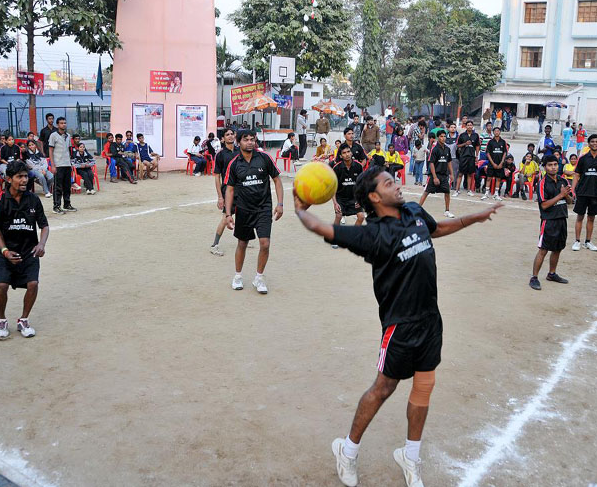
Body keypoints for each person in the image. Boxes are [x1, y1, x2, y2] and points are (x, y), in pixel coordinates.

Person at [293, 166, 502, 487]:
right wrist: (299, 209)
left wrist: (474, 216)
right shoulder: (372, 235)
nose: (398, 185)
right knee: (383, 388)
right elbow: (323, 228)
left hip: (431, 319)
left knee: (424, 385)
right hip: (399, 327)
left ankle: (411, 455)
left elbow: (437, 229)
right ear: (375, 197)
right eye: (390, 183)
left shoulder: (414, 211)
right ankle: (347, 450)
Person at [0, 160, 49, 340]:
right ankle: (1, 320)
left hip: (28, 250)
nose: (24, 180)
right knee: (2, 285)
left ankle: (23, 320)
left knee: (33, 284)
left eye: (25, 176)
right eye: (19, 177)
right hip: (6, 251)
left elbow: (44, 226)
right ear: (9, 179)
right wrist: (5, 251)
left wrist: (41, 244)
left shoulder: (33, 199)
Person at [224, 130, 284, 293]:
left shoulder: (264, 158)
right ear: (239, 142)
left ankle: (259, 278)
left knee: (265, 244)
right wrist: (228, 214)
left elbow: (277, 180)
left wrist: (280, 204)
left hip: (263, 208)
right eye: (246, 139)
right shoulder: (235, 163)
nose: (250, 142)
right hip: (243, 209)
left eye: (252, 139)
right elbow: (229, 190)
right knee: (242, 243)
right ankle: (237, 276)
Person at [529, 155, 572, 290]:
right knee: (543, 249)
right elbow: (544, 205)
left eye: (555, 164)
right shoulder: (542, 183)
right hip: (549, 221)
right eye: (550, 165)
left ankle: (552, 274)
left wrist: (566, 195)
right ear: (545, 167)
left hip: (562, 218)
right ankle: (534, 277)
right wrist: (560, 195)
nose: (553, 167)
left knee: (558, 248)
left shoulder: (563, 180)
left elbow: (570, 201)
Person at [571, 134, 597, 252]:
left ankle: (588, 241)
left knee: (591, 218)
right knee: (580, 216)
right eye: (592, 141)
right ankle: (577, 241)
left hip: (595, 193)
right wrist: (573, 190)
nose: (595, 143)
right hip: (582, 192)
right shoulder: (582, 159)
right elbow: (576, 175)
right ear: (588, 144)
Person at [211, 128, 240, 257]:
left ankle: (244, 239)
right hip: (228, 190)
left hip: (242, 189)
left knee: (245, 213)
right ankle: (214, 245)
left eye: (231, 134)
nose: (230, 136)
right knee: (225, 218)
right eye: (227, 135)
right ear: (223, 138)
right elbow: (217, 176)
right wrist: (220, 197)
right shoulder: (220, 154)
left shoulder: (240, 151)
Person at [331, 145, 365, 245]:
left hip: (354, 197)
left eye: (348, 152)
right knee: (338, 215)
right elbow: (332, 187)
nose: (347, 154)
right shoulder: (337, 168)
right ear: (341, 156)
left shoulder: (358, 166)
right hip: (340, 197)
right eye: (344, 153)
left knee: (361, 216)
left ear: (351, 153)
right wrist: (335, 203)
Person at [419, 130, 455, 218]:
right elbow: (431, 163)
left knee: (447, 192)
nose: (443, 138)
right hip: (435, 175)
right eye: (441, 136)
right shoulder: (435, 149)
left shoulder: (447, 149)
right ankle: (417, 209)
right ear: (438, 137)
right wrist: (434, 177)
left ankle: (447, 211)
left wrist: (451, 174)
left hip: (444, 175)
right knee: (426, 192)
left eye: (444, 136)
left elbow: (449, 162)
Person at [48, 117, 77, 214]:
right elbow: (50, 150)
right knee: (58, 187)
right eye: (61, 123)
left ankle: (67, 204)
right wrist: (53, 165)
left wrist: (70, 163)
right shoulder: (53, 136)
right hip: (58, 165)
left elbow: (69, 150)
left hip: (67, 164)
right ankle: (56, 206)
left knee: (67, 186)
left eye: (65, 123)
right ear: (57, 125)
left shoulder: (68, 136)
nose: (63, 125)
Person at [481, 127, 508, 201]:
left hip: (500, 164)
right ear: (493, 132)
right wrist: (493, 163)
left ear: (500, 132)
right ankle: (486, 194)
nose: (496, 132)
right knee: (489, 178)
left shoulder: (503, 142)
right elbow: (488, 153)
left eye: (498, 131)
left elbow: (505, 153)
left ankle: (496, 194)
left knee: (498, 179)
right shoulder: (490, 142)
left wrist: (501, 163)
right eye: (495, 131)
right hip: (491, 164)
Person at [454, 120, 480, 197]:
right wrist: (465, 144)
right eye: (468, 125)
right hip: (463, 156)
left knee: (469, 174)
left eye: (471, 125)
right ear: (466, 126)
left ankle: (469, 190)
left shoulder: (476, 135)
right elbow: (457, 145)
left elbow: (477, 146)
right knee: (460, 174)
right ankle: (457, 190)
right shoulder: (462, 135)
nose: (469, 126)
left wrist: (477, 156)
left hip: (471, 157)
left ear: (472, 126)